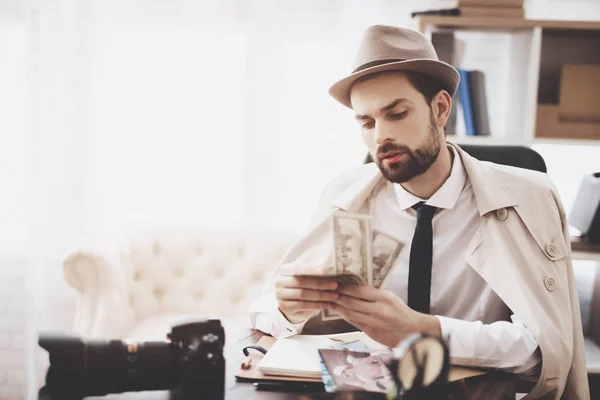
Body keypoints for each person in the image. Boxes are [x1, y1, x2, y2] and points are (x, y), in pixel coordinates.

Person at [248, 24, 589, 399]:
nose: (380, 136)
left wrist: (423, 330)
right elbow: (264, 312)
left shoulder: (532, 197)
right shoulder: (344, 193)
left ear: (440, 108)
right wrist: (287, 308)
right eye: (366, 122)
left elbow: (544, 345)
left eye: (396, 113)